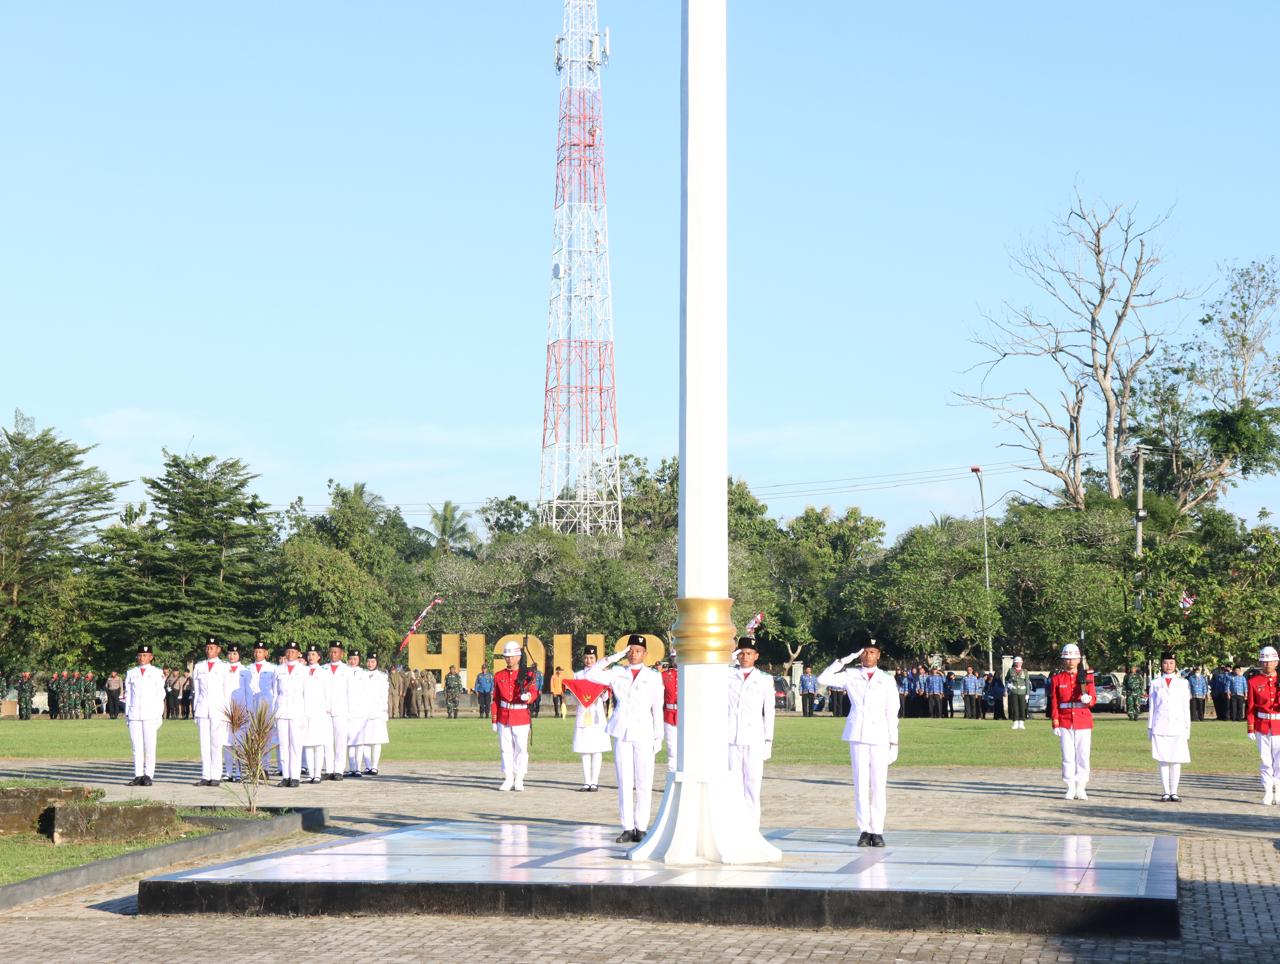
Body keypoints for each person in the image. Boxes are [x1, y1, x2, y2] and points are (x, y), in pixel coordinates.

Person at [817, 632, 899, 848]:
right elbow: (822, 679)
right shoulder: (851, 675)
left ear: (878, 655)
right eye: (864, 652)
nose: (868, 656)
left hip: (880, 735)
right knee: (860, 785)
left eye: (872, 652)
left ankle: (877, 830)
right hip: (858, 734)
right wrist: (845, 659)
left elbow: (892, 712)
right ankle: (864, 830)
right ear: (860, 654)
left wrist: (894, 743)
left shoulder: (887, 679)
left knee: (879, 785)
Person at [585, 634, 664, 843]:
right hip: (622, 731)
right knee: (624, 781)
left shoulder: (653, 676)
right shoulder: (618, 672)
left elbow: (658, 708)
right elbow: (591, 674)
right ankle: (627, 827)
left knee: (644, 781)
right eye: (630, 650)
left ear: (645, 653)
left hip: (644, 732)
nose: (633, 654)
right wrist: (616, 656)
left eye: (638, 650)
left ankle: (641, 826)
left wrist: (659, 736)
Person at [727, 638, 775, 830]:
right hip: (731, 736)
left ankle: (752, 827)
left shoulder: (764, 679)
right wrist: (732, 655)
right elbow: (716, 668)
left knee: (753, 785)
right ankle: (735, 826)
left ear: (756, 656)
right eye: (741, 653)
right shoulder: (727, 675)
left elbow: (769, 712)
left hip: (754, 737)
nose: (744, 657)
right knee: (733, 785)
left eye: (749, 653)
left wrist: (768, 740)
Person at [1050, 643, 1096, 801]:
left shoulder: (1087, 677)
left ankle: (1081, 787)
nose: (1070, 661)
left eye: (1073, 658)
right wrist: (1055, 722)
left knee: (1083, 755)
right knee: (1067, 756)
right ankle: (1070, 787)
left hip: (1083, 720)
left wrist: (1088, 699)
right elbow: (1054, 702)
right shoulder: (1057, 679)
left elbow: (1093, 699)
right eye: (1067, 658)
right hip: (1065, 720)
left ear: (1078, 660)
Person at [491, 642, 539, 791]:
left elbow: (534, 691)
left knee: (521, 749)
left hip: (521, 715)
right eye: (507, 656)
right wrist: (494, 719)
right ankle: (508, 778)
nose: (509, 659)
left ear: (518, 657)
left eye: (512, 656)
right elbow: (496, 699)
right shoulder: (499, 675)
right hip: (504, 716)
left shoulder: (528, 674)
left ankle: (519, 778)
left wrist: (528, 697)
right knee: (505, 749)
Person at [1148, 651, 1191, 802]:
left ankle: (1174, 791)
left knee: (1176, 759)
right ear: (1161, 664)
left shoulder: (1183, 683)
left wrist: (1187, 728)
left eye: (1171, 663)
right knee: (1163, 759)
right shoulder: (1155, 683)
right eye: (1166, 663)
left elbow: (1186, 708)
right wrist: (1150, 727)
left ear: (1175, 664)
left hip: (1178, 725)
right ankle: (1166, 791)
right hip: (1160, 725)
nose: (1168, 666)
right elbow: (1152, 707)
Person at [191, 638, 232, 787]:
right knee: (204, 745)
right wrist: (195, 710)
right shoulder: (199, 666)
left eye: (212, 647)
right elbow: (197, 691)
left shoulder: (224, 667)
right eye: (208, 647)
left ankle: (216, 775)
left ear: (218, 649)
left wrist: (228, 713)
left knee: (216, 744)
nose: (209, 650)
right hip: (203, 709)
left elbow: (227, 692)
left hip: (218, 710)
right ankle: (205, 775)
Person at [124, 644, 166, 787]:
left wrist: (159, 715)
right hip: (134, 713)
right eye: (140, 655)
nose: (142, 658)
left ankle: (148, 775)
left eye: (145, 655)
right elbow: (128, 695)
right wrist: (127, 714)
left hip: (150, 714)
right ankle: (138, 774)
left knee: (150, 746)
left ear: (151, 657)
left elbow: (160, 695)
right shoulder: (131, 673)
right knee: (136, 746)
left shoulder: (157, 672)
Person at [572, 645, 611, 791]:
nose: (589, 660)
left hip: (597, 715)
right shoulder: (578, 675)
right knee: (584, 749)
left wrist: (603, 691)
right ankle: (586, 781)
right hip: (583, 714)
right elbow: (575, 697)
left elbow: (606, 697)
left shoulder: (600, 674)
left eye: (592, 658)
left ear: (596, 659)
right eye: (586, 657)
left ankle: (594, 782)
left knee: (597, 749)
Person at [1245, 645, 1280, 805]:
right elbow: (1251, 707)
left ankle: (1278, 791)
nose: (1267, 664)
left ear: (1276, 662)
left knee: (1279, 761)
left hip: (1279, 724)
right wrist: (1250, 728)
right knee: (1265, 760)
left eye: (1270, 661)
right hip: (1262, 725)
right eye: (1264, 661)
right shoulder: (1254, 681)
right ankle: (1267, 791)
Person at [272, 642, 306, 787]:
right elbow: (274, 693)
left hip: (297, 711)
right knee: (283, 745)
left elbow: (306, 694)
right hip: (281, 711)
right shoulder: (278, 670)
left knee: (296, 745)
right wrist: (274, 713)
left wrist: (305, 715)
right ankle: (286, 776)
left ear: (299, 653)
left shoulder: (303, 670)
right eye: (288, 651)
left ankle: (295, 776)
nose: (290, 654)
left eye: (293, 651)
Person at [300, 644, 332, 784]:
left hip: (319, 713)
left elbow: (328, 693)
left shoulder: (324, 672)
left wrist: (327, 709)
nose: (310, 657)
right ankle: (310, 773)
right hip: (306, 712)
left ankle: (318, 773)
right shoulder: (303, 672)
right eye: (309, 654)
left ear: (319, 656)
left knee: (318, 744)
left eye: (313, 654)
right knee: (307, 744)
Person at [245, 643, 279, 775]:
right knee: (252, 737)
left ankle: (264, 767)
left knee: (265, 738)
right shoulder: (248, 668)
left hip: (266, 705)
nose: (258, 654)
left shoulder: (272, 668)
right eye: (256, 651)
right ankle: (253, 766)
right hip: (251, 705)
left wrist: (274, 708)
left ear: (266, 653)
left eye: (260, 651)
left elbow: (275, 690)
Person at [324, 641, 354, 781]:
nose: (333, 654)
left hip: (341, 710)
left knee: (340, 741)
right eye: (331, 652)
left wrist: (350, 712)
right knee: (327, 741)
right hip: (326, 710)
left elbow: (351, 693)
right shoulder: (323, 669)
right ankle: (329, 769)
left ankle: (339, 770)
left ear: (342, 654)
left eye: (336, 652)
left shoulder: (347, 670)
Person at [358, 652, 390, 776]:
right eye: (368, 661)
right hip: (364, 711)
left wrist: (385, 710)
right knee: (365, 740)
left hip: (377, 711)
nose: (370, 664)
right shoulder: (362, 675)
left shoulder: (382, 676)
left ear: (376, 662)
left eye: (373, 661)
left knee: (377, 740)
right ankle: (367, 766)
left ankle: (375, 766)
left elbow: (384, 695)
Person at [223, 645, 249, 782]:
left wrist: (248, 710)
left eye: (234, 653)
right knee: (226, 743)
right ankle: (228, 772)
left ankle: (239, 772)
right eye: (230, 653)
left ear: (239, 655)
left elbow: (248, 692)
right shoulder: (223, 669)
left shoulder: (245, 670)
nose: (232, 656)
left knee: (239, 743)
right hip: (225, 710)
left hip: (240, 710)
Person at [342, 649, 366, 777]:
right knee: (350, 741)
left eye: (355, 659)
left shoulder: (363, 673)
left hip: (361, 711)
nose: (353, 661)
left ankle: (358, 768)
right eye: (351, 659)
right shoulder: (344, 672)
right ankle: (352, 768)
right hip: (348, 710)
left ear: (359, 660)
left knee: (359, 741)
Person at [661, 657, 678, 772]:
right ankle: (672, 773)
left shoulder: (690, 673)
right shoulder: (664, 675)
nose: (675, 660)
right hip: (669, 714)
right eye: (673, 657)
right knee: (672, 748)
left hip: (686, 715)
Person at [1006, 657, 1029, 730]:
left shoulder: (1025, 671)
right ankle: (1015, 723)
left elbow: (1027, 682)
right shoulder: (1011, 670)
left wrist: (1027, 693)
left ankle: (1021, 723)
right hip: (1014, 691)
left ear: (1021, 663)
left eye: (1019, 662)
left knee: (1022, 707)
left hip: (1022, 691)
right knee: (1015, 708)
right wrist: (1009, 684)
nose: (1018, 663)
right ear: (1014, 663)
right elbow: (1006, 679)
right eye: (1016, 662)